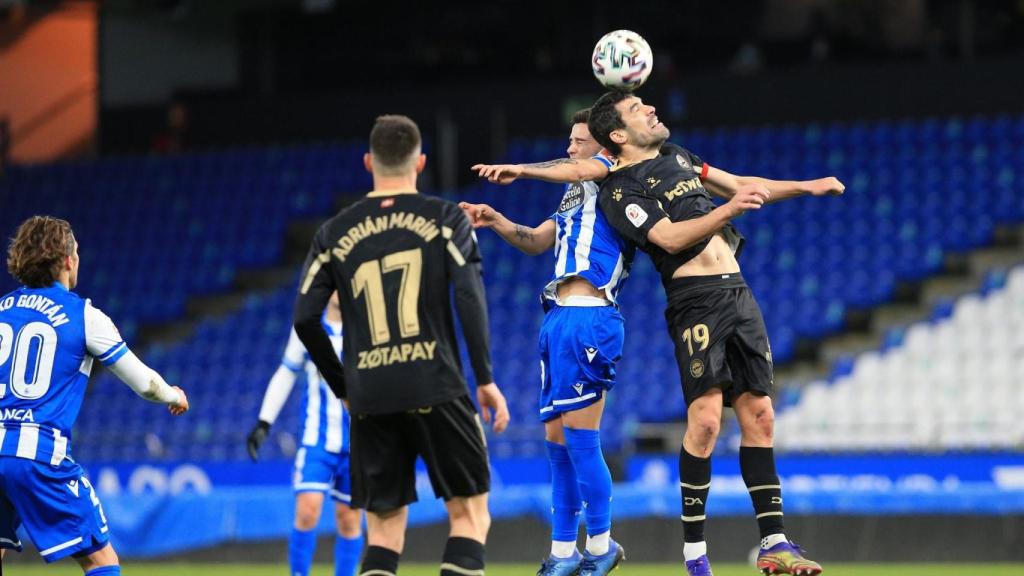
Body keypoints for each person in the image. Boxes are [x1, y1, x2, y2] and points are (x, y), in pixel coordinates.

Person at [588, 90, 842, 576]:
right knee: (705, 422)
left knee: (761, 415)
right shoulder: (620, 189)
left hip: (738, 292)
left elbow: (742, 184)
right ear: (618, 134)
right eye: (638, 109)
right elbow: (667, 238)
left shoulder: (679, 157)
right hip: (695, 301)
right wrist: (728, 211)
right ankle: (695, 556)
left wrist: (807, 186)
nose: (652, 109)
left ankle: (774, 544)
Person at [293, 115, 510, 576]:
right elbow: (470, 296)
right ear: (421, 162)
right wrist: (486, 379)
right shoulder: (445, 218)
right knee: (469, 516)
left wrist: (345, 386)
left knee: (385, 531)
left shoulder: (333, 233)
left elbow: (304, 318)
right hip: (436, 385)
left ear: (369, 162)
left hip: (371, 394)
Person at [462, 108, 631, 576]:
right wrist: (497, 220)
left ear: (602, 146)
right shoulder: (576, 194)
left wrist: (519, 169)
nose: (571, 147)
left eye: (579, 140)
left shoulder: (614, 172)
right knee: (556, 444)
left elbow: (577, 166)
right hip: (557, 317)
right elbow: (538, 240)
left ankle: (600, 545)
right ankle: (562, 553)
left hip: (589, 316)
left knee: (580, 440)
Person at [0, 216, 189, 574]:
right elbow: (145, 384)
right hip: (38, 454)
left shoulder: (2, 309)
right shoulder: (84, 315)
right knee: (101, 560)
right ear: (68, 260)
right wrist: (173, 396)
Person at [247, 293, 363, 576]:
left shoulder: (366, 327)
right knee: (308, 510)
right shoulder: (308, 327)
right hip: (317, 439)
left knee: (349, 519)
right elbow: (286, 372)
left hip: (359, 440)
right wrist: (264, 422)